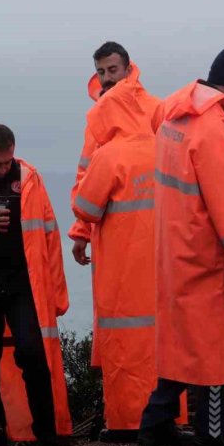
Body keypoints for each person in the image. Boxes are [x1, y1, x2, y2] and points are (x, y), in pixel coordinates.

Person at [138, 46, 224, 446]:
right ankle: (210, 443)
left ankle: (155, 426)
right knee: (211, 355)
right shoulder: (213, 132)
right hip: (203, 259)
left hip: (171, 249)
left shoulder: (174, 116)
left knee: (179, 343)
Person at [71, 79, 189, 446]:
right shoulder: (165, 147)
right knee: (164, 344)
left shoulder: (109, 154)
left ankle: (125, 422)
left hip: (121, 273)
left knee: (124, 349)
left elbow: (85, 207)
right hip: (163, 268)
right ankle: (170, 418)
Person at [0, 124, 72, 446]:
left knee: (33, 354)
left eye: (7, 161)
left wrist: (57, 295)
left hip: (22, 285)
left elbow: (50, 237)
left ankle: (48, 435)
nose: (2, 168)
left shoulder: (28, 178)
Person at [68, 41, 162, 387]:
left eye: (112, 70)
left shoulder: (153, 109)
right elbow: (86, 178)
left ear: (127, 67)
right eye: (101, 72)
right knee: (126, 320)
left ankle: (144, 410)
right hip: (115, 230)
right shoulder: (100, 114)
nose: (107, 77)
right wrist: (81, 232)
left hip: (137, 233)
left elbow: (90, 187)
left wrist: (83, 223)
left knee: (132, 317)